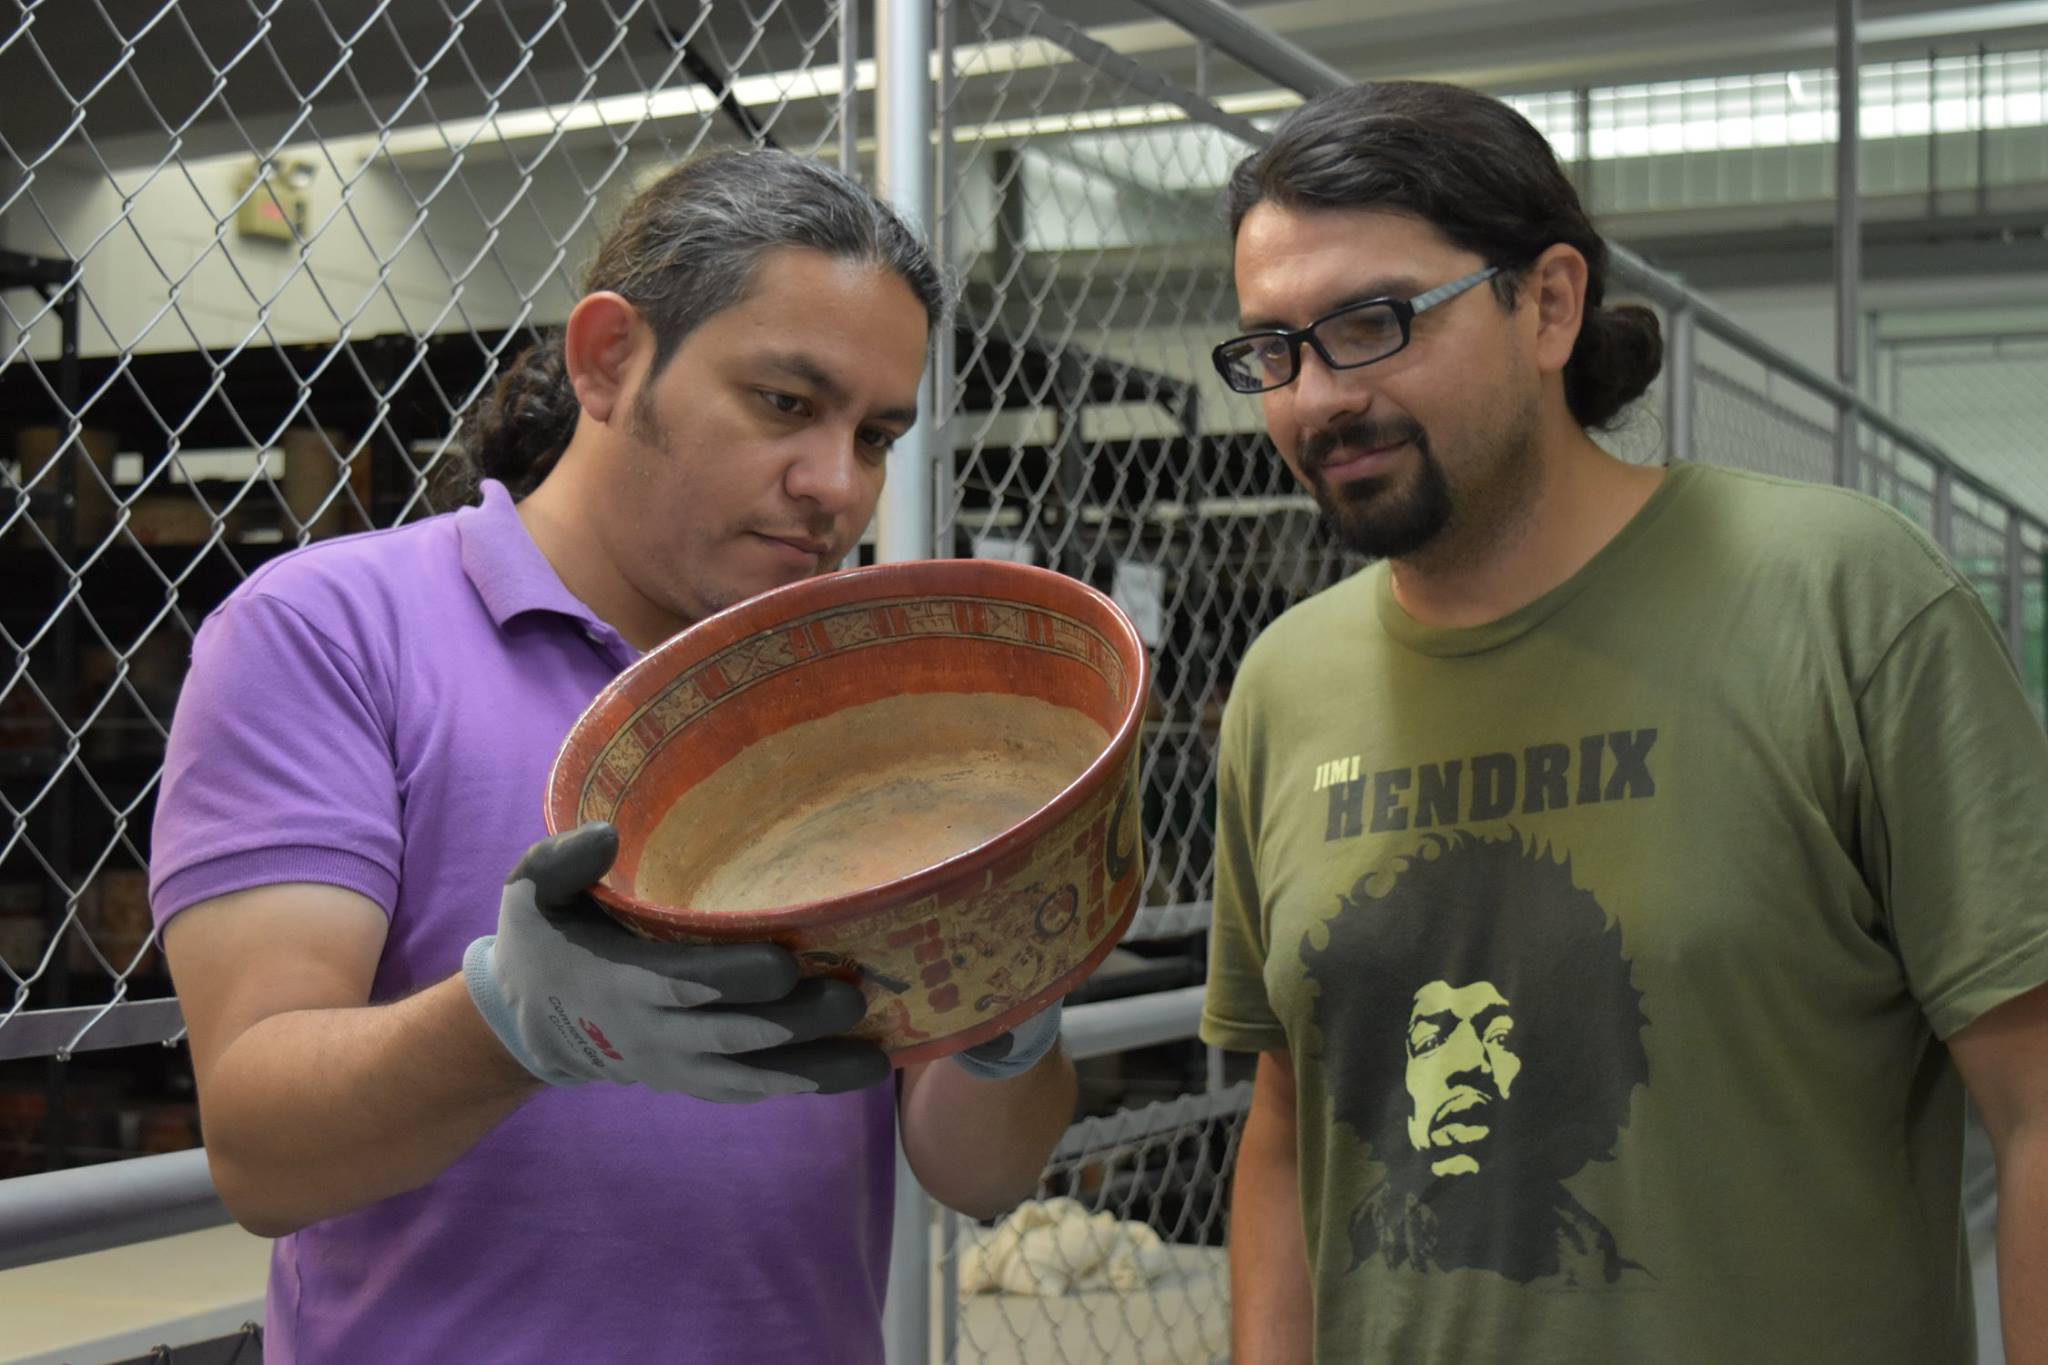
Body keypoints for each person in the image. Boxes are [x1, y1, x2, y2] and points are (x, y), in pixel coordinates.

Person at [149, 149, 1076, 1365]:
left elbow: (979, 1172)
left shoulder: (867, 698)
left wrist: (1007, 1002)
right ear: (607, 361)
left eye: (876, 434)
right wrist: (513, 1028)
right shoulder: (329, 633)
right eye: (786, 405)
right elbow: (262, 1151)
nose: (835, 487)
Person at [1197, 80, 2048, 1365]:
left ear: (1546, 304)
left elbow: (2034, 1103)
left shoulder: (1841, 601)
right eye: (1272, 349)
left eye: (1369, 323)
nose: (1313, 400)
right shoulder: (1282, 686)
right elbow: (1282, 1119)